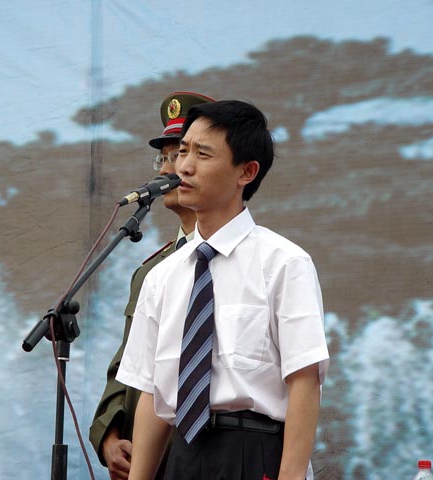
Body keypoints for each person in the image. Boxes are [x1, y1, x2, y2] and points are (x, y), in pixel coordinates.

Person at [116, 100, 330, 480]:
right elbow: (152, 392)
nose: (184, 166)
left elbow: (304, 382)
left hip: (253, 451)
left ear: (246, 172)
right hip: (183, 454)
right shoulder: (161, 277)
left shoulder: (284, 263)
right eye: (183, 152)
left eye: (202, 154)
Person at [89, 92, 214, 480]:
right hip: (151, 464)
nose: (170, 169)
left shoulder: (249, 261)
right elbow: (127, 365)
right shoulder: (151, 272)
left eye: (183, 155)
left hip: (214, 457)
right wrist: (109, 436)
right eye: (165, 158)